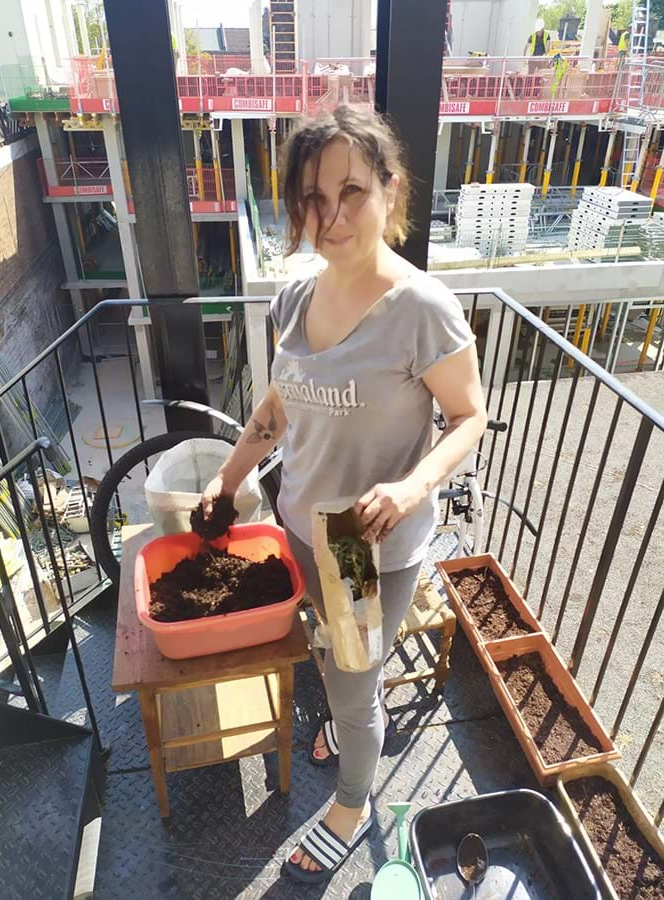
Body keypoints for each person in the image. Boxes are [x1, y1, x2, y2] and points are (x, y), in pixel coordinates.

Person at [201, 105, 487, 884]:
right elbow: (276, 406)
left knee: (354, 685)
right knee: (331, 658)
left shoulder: (421, 309)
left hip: (362, 547)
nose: (330, 217)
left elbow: (469, 416)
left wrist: (414, 482)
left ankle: (351, 803)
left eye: (351, 191)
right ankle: (344, 717)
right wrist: (227, 483)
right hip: (298, 526)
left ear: (391, 191)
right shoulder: (294, 298)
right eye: (311, 197)